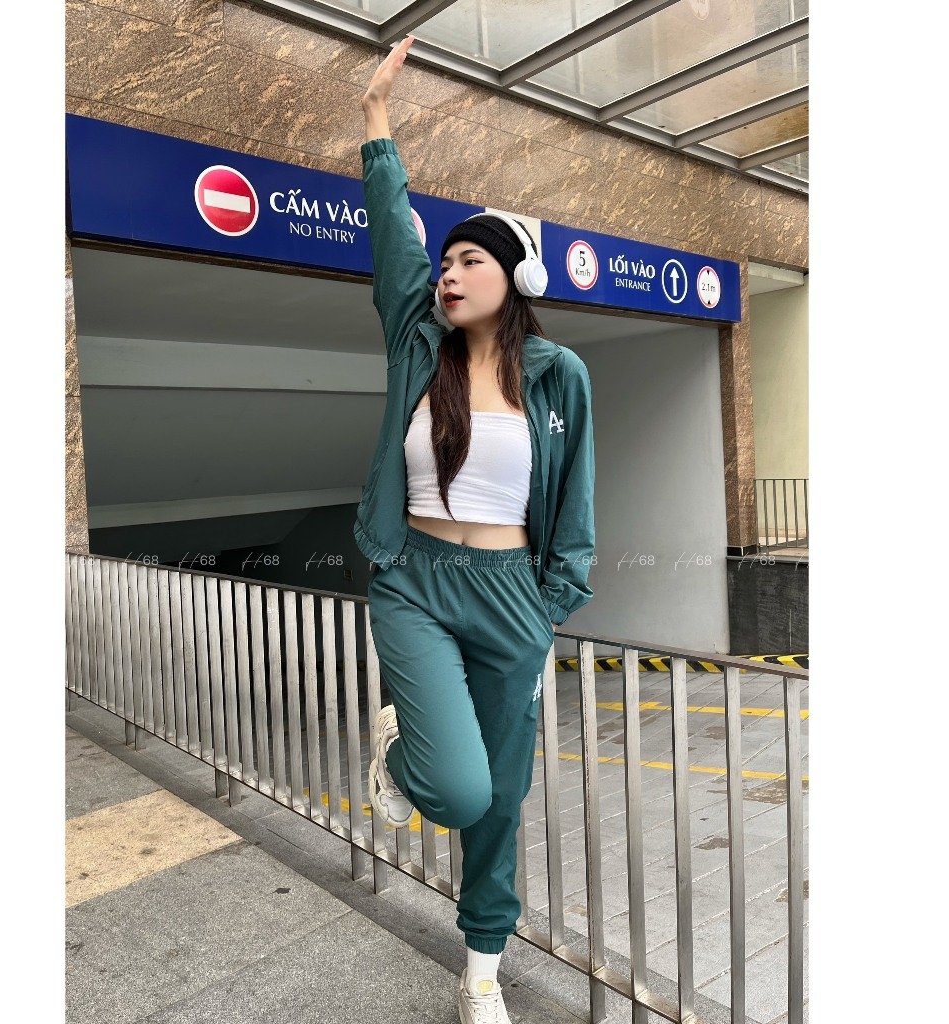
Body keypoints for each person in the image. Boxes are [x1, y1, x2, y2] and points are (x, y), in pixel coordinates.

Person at [355, 36, 596, 1024]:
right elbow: (391, 238)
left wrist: (548, 607)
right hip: (414, 579)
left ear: (512, 278)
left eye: (470, 260)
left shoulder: (558, 377)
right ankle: (395, 750)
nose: (449, 274)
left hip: (509, 594)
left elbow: (575, 504)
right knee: (454, 789)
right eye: (445, 261)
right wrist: (377, 121)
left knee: (500, 797)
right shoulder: (416, 340)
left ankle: (482, 971)